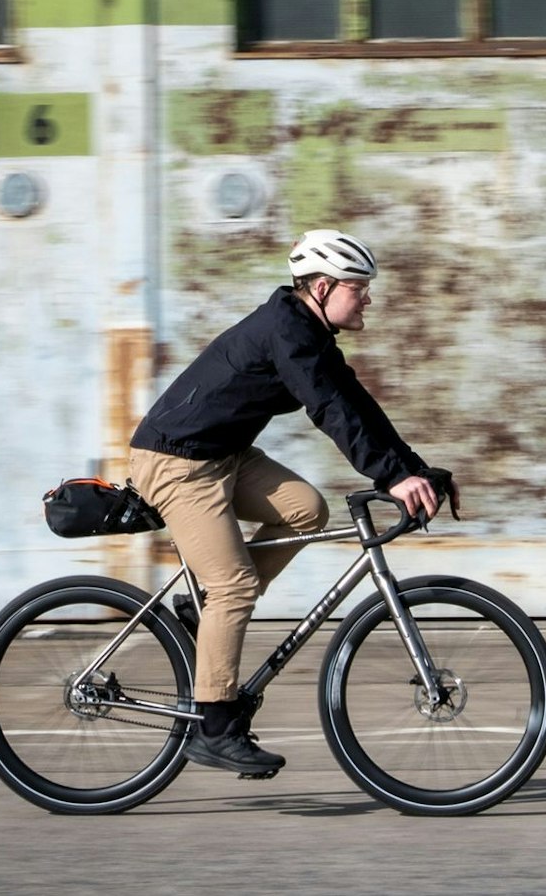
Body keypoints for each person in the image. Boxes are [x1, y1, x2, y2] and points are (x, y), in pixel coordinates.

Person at [128, 228, 455, 776]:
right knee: (234, 586)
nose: (368, 298)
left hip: (223, 456)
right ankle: (214, 727)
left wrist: (411, 469)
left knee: (307, 509)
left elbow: (354, 402)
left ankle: (200, 610)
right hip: (177, 463)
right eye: (359, 288)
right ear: (323, 288)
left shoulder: (307, 331)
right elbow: (330, 409)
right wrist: (392, 475)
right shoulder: (287, 332)